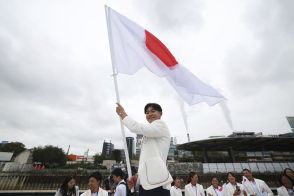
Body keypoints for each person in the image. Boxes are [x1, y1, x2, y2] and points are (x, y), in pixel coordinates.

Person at [116, 103, 173, 196]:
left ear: (161, 114)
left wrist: (122, 114)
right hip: (146, 185)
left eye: (153, 111)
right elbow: (145, 162)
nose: (150, 114)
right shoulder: (148, 134)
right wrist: (137, 178)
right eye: (147, 112)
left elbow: (137, 127)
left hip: (157, 184)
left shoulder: (161, 125)